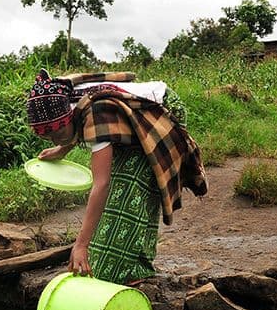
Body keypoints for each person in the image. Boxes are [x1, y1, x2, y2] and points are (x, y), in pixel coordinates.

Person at [26, 70, 206, 285]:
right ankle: (138, 264)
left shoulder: (97, 113)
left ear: (68, 116)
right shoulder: (66, 101)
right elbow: (76, 126)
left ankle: (127, 269)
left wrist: (81, 244)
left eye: (57, 133)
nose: (54, 139)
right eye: (48, 137)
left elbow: (101, 184)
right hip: (131, 112)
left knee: (129, 186)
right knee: (126, 188)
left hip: (161, 108)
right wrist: (62, 148)